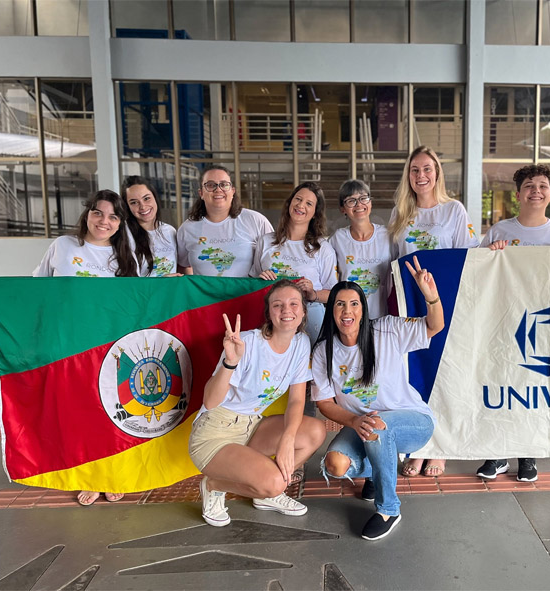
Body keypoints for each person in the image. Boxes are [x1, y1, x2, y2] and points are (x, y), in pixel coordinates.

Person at [0, 189, 139, 506]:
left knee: (111, 414)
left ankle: (113, 474)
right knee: (79, 415)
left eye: (113, 216)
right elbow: (36, 289)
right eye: (98, 213)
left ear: (120, 223)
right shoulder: (63, 247)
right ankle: (89, 476)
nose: (104, 221)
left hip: (110, 350)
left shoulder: (127, 257)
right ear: (87, 213)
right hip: (69, 350)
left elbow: (140, 305)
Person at [312, 257, 444, 540]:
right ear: (330, 310)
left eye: (354, 304)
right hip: (362, 426)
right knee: (335, 464)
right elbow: (324, 403)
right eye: (339, 304)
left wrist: (430, 295)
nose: (347, 311)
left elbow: (434, 327)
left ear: (363, 308)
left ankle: (389, 508)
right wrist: (354, 420)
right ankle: (377, 470)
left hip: (413, 422)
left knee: (377, 427)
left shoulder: (388, 329)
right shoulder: (324, 351)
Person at [189, 280, 327, 526]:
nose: (287, 310)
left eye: (294, 304)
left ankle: (266, 494)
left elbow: (296, 400)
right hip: (215, 431)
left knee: (315, 431)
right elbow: (210, 401)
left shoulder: (301, 343)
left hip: (251, 426)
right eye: (278, 305)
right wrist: (229, 362)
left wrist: (287, 439)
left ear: (304, 311)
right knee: (274, 483)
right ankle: (214, 484)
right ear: (269, 313)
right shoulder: (247, 343)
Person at [475, 164, 550, 484]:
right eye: (530, 186)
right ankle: (497, 453)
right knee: (502, 384)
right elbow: (477, 276)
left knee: (534, 390)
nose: (536, 190)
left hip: (547, 325)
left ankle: (528, 456)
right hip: (505, 321)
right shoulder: (499, 232)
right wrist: (491, 256)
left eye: (543, 186)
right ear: (518, 194)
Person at [389, 146, 479, 478]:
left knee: (446, 374)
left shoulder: (453, 210)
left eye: (427, 169)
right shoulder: (400, 213)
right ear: (408, 176)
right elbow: (393, 266)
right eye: (415, 170)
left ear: (437, 173)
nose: (421, 175)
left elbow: (468, 259)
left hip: (446, 304)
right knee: (416, 375)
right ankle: (420, 445)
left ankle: (440, 448)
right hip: (410, 307)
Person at [251, 182, 338, 343]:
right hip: (272, 318)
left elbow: (334, 293)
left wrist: (313, 294)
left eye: (309, 203)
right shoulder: (266, 241)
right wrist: (260, 279)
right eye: (298, 199)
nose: (301, 205)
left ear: (315, 213)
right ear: (290, 203)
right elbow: (251, 285)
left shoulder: (323, 249)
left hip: (310, 320)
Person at [176, 165, 273, 277]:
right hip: (205, 295)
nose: (218, 189)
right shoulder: (187, 229)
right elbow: (182, 266)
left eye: (224, 184)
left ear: (232, 191)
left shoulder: (256, 221)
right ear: (201, 193)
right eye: (211, 185)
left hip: (248, 294)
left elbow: (273, 258)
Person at [328, 179, 393, 319]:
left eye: (363, 198)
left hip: (382, 317)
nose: (359, 204)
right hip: (348, 319)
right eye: (351, 200)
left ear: (370, 202)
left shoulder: (388, 236)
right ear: (342, 208)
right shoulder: (337, 239)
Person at [121, 175, 177, 277]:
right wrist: (160, 283)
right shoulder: (124, 234)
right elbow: (128, 282)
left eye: (146, 198)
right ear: (127, 207)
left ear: (155, 198)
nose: (142, 206)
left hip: (171, 292)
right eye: (134, 202)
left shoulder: (170, 231)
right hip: (144, 292)